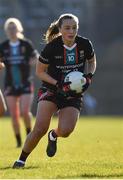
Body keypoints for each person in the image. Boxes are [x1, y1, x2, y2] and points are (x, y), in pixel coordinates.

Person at [13, 13, 96, 168]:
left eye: (74, 28)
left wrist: (89, 76)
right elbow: (39, 72)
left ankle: (54, 135)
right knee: (39, 129)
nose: (71, 31)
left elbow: (92, 61)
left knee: (66, 131)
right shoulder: (51, 47)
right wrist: (58, 84)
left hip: (73, 93)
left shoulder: (85, 44)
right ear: (60, 29)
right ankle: (21, 160)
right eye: (67, 28)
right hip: (51, 89)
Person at [0, 18, 39, 147]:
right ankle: (18, 141)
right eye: (9, 28)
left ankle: (29, 135)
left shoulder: (26, 44)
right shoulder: (3, 46)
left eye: (13, 28)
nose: (11, 30)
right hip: (10, 84)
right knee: (14, 115)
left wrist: (33, 61)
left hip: (26, 83)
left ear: (19, 29)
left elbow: (36, 58)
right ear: (6, 31)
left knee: (24, 112)